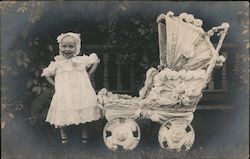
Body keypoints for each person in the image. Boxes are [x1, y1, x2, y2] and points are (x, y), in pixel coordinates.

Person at [41, 32, 101, 144]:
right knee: (62, 112)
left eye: (71, 46)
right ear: (60, 47)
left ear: (77, 48)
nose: (67, 49)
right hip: (64, 94)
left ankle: (85, 136)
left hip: (81, 92)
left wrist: (89, 74)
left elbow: (95, 61)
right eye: (64, 46)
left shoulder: (81, 60)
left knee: (83, 113)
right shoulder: (58, 63)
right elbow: (47, 74)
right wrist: (55, 85)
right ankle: (64, 138)